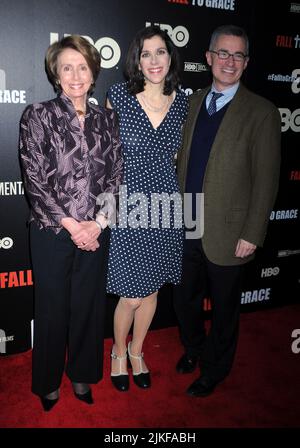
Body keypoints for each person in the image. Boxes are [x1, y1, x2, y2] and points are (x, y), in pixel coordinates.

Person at [173, 25, 281, 397]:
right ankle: (193, 349)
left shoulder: (262, 112)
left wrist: (253, 232)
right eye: (223, 53)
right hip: (185, 221)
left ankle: (215, 369)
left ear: (246, 62)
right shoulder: (189, 102)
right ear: (208, 58)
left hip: (230, 230)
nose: (229, 61)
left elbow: (266, 179)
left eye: (237, 55)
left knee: (224, 309)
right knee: (184, 298)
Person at [19, 35, 123, 411]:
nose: (75, 75)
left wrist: (97, 223)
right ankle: (47, 382)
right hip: (52, 231)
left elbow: (115, 175)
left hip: (97, 231)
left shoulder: (107, 118)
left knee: (88, 306)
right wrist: (72, 225)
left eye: (83, 66)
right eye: (67, 67)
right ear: (56, 74)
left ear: (93, 72)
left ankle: (82, 374)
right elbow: (34, 179)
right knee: (51, 308)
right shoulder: (38, 115)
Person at [106, 25, 188, 392]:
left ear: (170, 58)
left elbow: (178, 156)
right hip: (128, 201)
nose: (154, 60)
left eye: (160, 52)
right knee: (130, 291)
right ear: (136, 60)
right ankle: (118, 353)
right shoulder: (118, 96)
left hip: (165, 203)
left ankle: (138, 351)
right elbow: (105, 158)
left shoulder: (184, 101)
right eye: (146, 53)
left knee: (152, 290)